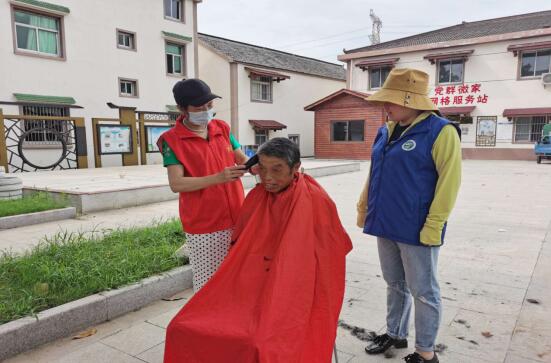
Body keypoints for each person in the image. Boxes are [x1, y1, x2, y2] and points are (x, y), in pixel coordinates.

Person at [164, 138, 353, 363]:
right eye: (262, 169)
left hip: (292, 288)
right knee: (181, 326)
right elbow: (241, 245)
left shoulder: (316, 200)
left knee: (259, 343)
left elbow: (331, 256)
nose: (268, 177)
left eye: (277, 169)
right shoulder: (256, 196)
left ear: (296, 168)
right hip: (249, 284)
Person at [356, 68, 462, 363]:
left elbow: (449, 183)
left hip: (417, 227)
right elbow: (375, 172)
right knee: (394, 284)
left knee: (424, 292)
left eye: (389, 101)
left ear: (409, 98)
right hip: (385, 221)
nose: (384, 107)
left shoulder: (441, 131)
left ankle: (426, 352)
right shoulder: (386, 130)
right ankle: (395, 333)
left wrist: (434, 224)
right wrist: (364, 206)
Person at [157, 78, 249, 291]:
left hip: (238, 216)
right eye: (199, 108)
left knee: (236, 277)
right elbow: (177, 183)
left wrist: (259, 166)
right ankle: (205, 324)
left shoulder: (222, 128)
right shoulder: (171, 140)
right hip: (204, 224)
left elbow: (241, 158)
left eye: (210, 106)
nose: (207, 112)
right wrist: (219, 177)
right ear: (182, 109)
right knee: (208, 284)